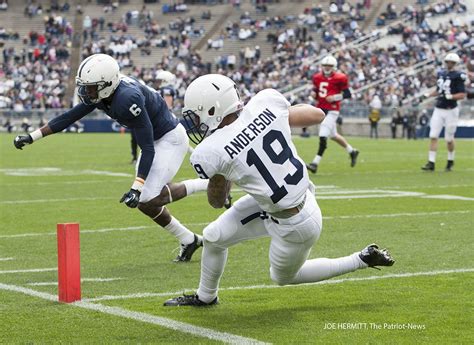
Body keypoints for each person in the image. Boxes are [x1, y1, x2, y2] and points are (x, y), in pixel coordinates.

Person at [163, 74, 395, 307]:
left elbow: (216, 200)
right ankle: (206, 297)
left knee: (283, 277)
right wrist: (274, 117)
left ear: (213, 110)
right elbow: (318, 115)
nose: (195, 121)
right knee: (213, 237)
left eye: (197, 114)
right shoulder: (264, 103)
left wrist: (221, 173)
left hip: (295, 223)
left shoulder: (211, 151)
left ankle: (361, 259)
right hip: (283, 201)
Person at [13, 54, 208, 262]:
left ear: (107, 84)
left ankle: (206, 183)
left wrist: (136, 187)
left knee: (147, 197)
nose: (86, 91)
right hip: (154, 139)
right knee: (144, 202)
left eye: (90, 87)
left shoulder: (127, 99)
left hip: (169, 139)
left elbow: (148, 148)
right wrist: (32, 137)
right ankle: (188, 239)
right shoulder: (106, 92)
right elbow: (69, 117)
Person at [306, 55, 359, 174]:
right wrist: (313, 94)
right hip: (321, 108)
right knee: (333, 135)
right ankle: (352, 151)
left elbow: (348, 94)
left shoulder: (340, 77)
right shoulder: (317, 77)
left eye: (329, 66)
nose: (327, 68)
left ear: (334, 67)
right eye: (325, 65)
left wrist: (335, 97)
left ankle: (315, 163)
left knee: (323, 134)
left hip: (333, 109)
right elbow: (316, 89)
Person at [421, 53, 466, 172]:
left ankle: (450, 160)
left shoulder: (459, 76)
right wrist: (427, 95)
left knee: (449, 139)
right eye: (448, 62)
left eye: (452, 63)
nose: (449, 64)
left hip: (451, 110)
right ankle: (431, 162)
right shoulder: (441, 73)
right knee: (433, 135)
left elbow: (462, 94)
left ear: (456, 64)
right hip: (439, 109)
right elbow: (438, 91)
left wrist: (450, 96)